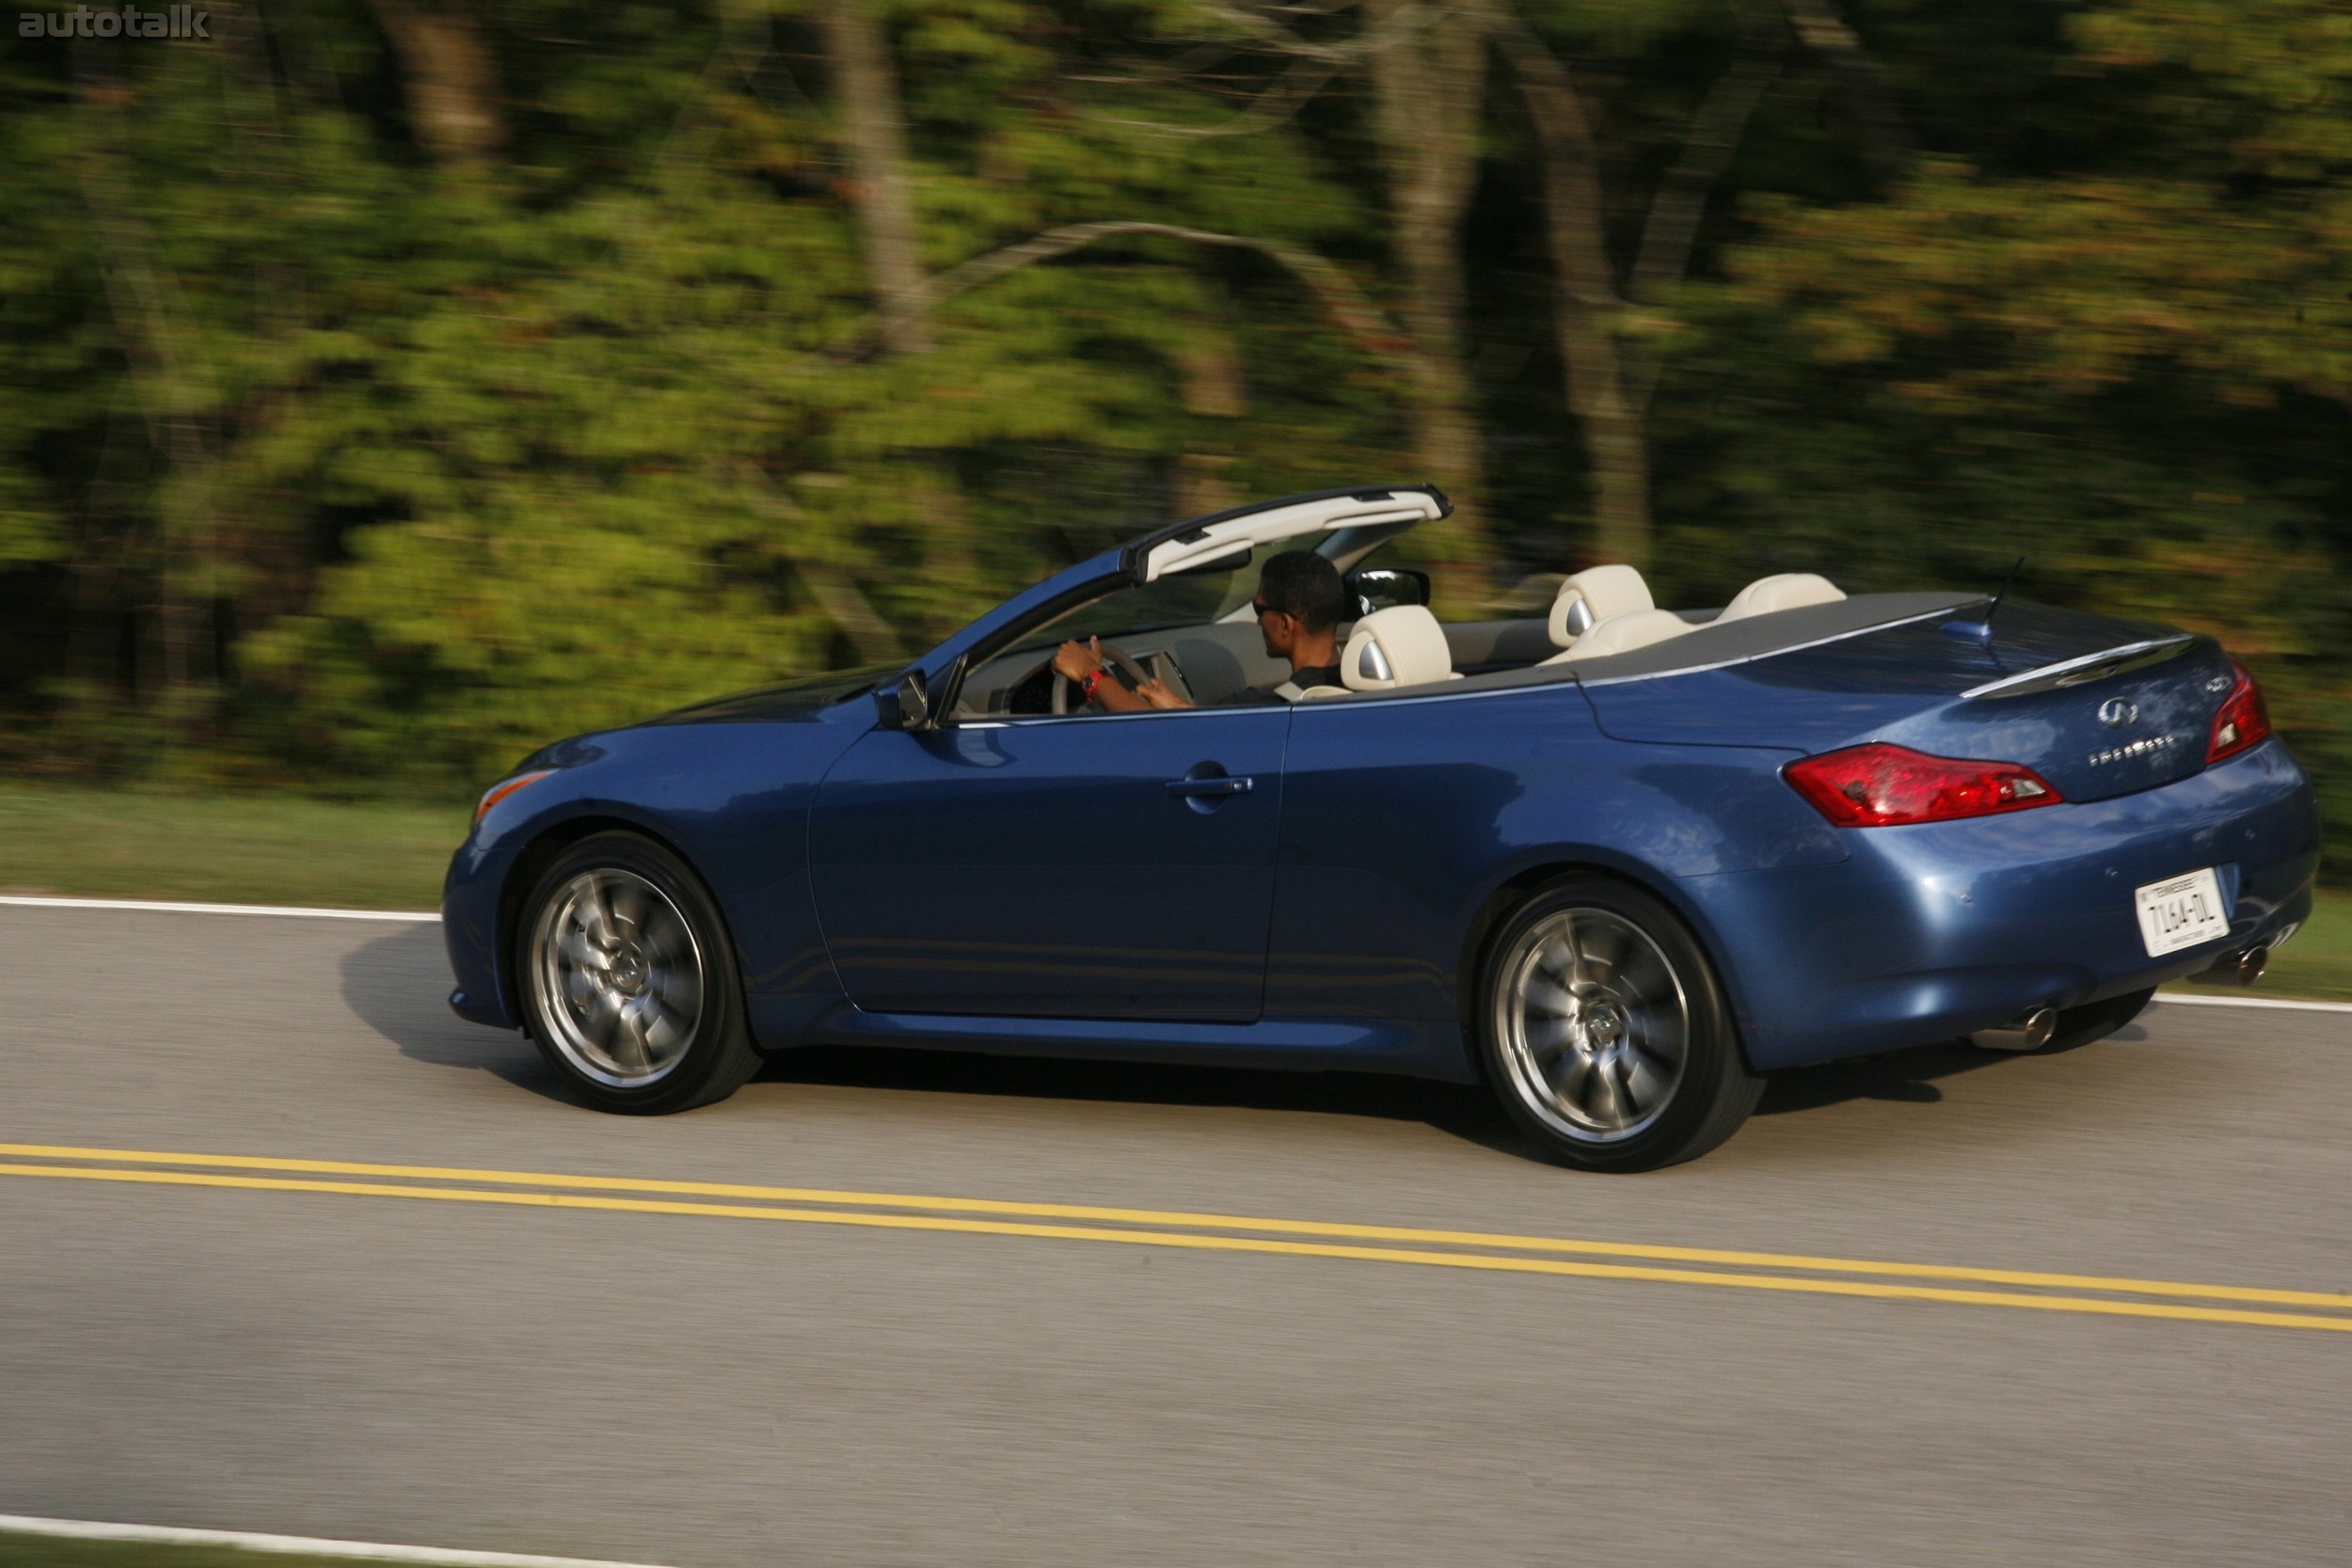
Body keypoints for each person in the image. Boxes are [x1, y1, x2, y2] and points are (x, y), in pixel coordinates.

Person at [1052, 549, 1348, 711]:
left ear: (1285, 624)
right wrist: (1182, 709)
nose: (1258, 622)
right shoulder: (1354, 689)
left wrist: (1092, 674)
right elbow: (1215, 728)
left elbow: (1156, 736)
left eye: (1260, 610)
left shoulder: (1275, 710)